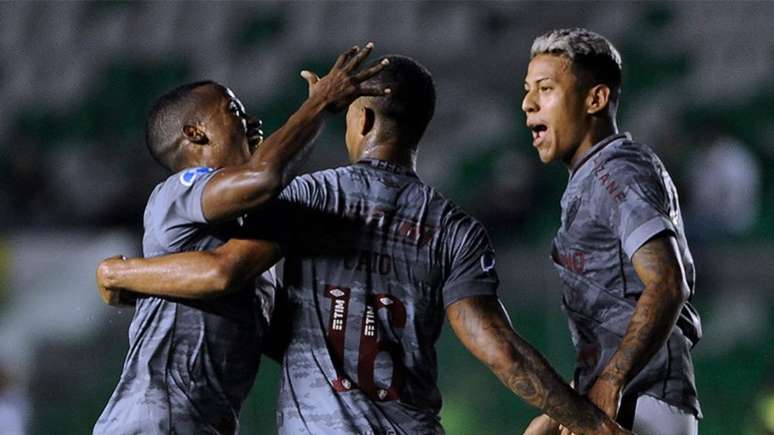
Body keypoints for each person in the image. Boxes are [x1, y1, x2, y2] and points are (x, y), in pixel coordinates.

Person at [98, 55, 628, 434]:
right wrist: (585, 419)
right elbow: (498, 347)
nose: (251, 122)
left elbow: (228, 271)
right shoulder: (457, 230)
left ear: (364, 119)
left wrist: (121, 273)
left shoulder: (304, 200)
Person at [93, 43, 390, 435]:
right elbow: (257, 193)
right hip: (152, 420)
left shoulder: (249, 249)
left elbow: (287, 337)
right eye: (233, 110)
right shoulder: (177, 194)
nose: (251, 120)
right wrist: (318, 106)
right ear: (195, 132)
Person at [520, 28, 702, 434]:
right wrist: (568, 403)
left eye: (545, 89)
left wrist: (610, 382)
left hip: (640, 401)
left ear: (596, 99)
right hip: (625, 396)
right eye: (528, 89)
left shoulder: (616, 171)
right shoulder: (592, 177)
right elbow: (619, 307)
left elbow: (667, 283)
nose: (528, 103)